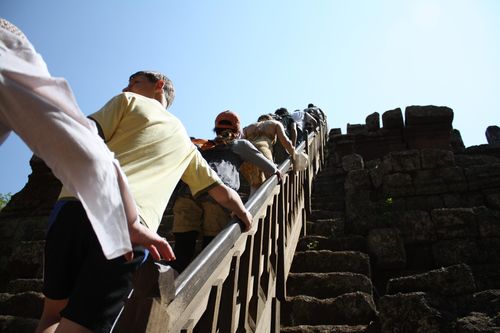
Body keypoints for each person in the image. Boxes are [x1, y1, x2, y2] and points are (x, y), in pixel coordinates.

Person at [0, 19, 174, 333]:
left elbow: (84, 135)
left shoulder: (128, 102)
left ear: (158, 84)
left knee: (52, 314)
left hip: (74, 204)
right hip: (115, 214)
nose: (125, 88)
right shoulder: (181, 139)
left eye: (133, 81)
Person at [171, 110, 281, 272]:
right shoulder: (240, 145)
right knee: (211, 248)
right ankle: (204, 289)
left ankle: (171, 284)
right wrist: (279, 173)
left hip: (187, 193)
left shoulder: (201, 144)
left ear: (215, 129)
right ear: (238, 131)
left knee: (182, 249)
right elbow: (270, 168)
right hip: (220, 195)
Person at [241, 114, 296, 195]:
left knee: (254, 186)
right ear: (270, 119)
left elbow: (240, 142)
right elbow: (285, 141)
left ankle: (253, 206)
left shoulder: (248, 127)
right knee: (272, 178)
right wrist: (294, 154)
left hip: (246, 153)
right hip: (263, 149)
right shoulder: (274, 123)